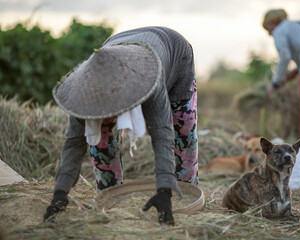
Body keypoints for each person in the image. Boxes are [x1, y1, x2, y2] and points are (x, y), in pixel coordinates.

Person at [43, 26, 198, 225]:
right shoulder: (83, 94)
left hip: (174, 52)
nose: (108, 116)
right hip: (116, 48)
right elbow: (73, 144)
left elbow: (163, 135)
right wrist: (60, 192)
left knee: (182, 130)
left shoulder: (151, 79)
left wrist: (164, 191)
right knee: (100, 136)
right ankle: (109, 196)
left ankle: (185, 196)